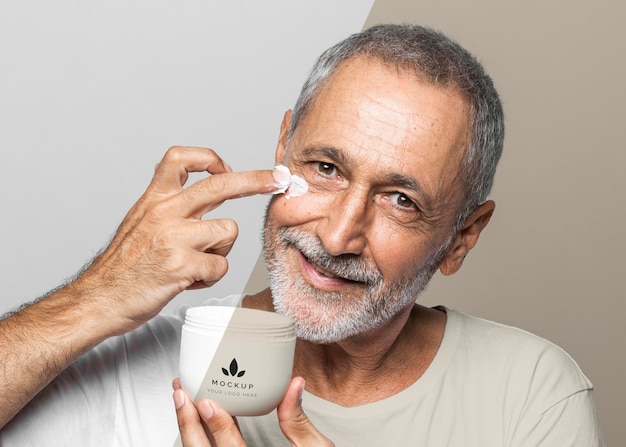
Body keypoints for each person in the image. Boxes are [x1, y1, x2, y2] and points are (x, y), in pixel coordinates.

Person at [0, 24, 603, 446]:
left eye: (400, 200)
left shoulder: (530, 393)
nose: (339, 234)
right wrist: (99, 293)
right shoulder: (148, 363)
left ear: (463, 238)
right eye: (325, 168)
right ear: (282, 146)